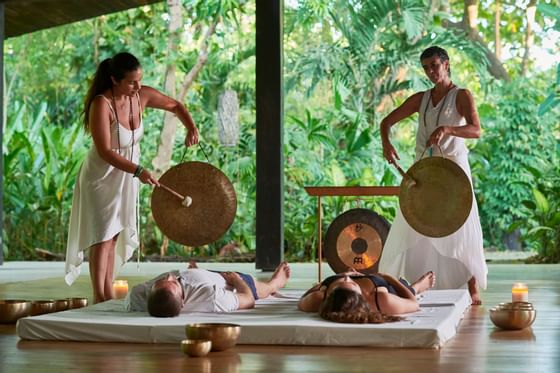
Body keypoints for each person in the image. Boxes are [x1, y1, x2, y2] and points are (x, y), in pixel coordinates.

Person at [64, 52, 200, 303]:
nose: (138, 87)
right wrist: (138, 170)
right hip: (101, 176)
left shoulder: (142, 96)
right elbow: (105, 151)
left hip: (125, 175)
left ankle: (106, 293)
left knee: (114, 234)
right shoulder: (101, 104)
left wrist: (191, 127)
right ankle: (99, 296)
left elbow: (175, 106)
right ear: (115, 79)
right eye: (131, 82)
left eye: (140, 80)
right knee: (101, 235)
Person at [378, 46, 488, 305]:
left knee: (460, 226)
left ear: (446, 64)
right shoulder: (421, 98)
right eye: (426, 67)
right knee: (416, 222)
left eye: (435, 65)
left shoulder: (461, 95)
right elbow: (387, 122)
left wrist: (448, 129)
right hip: (425, 171)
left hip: (453, 170)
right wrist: (387, 143)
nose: (430, 71)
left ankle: (472, 288)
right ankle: (414, 283)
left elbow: (476, 130)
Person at [125, 261, 292, 317]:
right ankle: (274, 284)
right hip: (227, 281)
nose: (169, 276)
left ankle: (197, 270)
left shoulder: (140, 296)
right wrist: (237, 280)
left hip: (198, 276)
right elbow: (248, 300)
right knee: (258, 288)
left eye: (162, 281)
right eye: (173, 282)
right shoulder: (211, 297)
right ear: (182, 302)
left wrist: (192, 273)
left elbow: (131, 295)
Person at [298, 269, 436, 323]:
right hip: (389, 285)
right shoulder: (379, 300)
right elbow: (413, 303)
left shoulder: (319, 298)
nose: (347, 278)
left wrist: (323, 284)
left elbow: (302, 299)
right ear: (361, 298)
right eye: (352, 284)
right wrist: (387, 277)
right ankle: (417, 286)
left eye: (341, 282)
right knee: (406, 288)